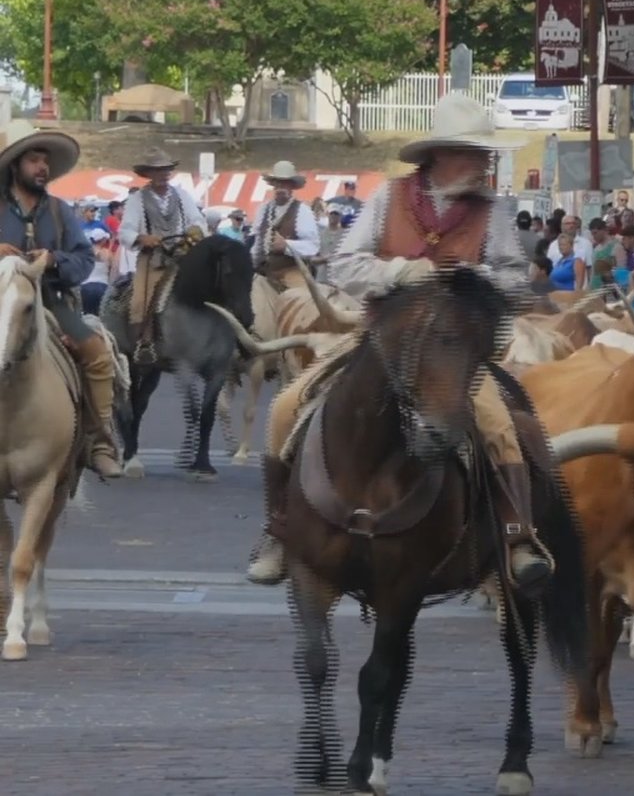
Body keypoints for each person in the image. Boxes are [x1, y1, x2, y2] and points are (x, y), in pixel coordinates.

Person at [250, 93, 550, 595]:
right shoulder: (389, 198)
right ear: (441, 155)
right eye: (474, 153)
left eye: (484, 153)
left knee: (499, 423)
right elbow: (344, 265)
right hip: (379, 342)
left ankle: (519, 538)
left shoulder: (491, 212)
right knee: (285, 406)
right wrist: (401, 271)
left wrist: (475, 277)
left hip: (453, 349)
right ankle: (280, 531)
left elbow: (517, 282)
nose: (483, 162)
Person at [0, 121, 124, 479]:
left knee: (98, 354)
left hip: (51, 301)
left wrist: (53, 259)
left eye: (45, 161)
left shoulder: (59, 210)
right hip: (1, 302)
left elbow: (84, 258)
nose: (42, 168)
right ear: (15, 165)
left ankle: (99, 441)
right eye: (34, 160)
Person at [118, 147, 206, 362]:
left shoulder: (183, 195)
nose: (163, 175)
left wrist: (195, 231)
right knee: (141, 300)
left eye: (166, 170)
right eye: (157, 171)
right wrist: (142, 238)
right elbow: (125, 231)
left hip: (183, 257)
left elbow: (198, 221)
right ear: (148, 173)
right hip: (152, 260)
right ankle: (144, 343)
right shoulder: (137, 199)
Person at [251, 161, 321, 291]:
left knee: (302, 299)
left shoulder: (302, 210)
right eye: (278, 183)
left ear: (292, 186)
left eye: (285, 183)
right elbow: (256, 243)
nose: (280, 187)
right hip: (264, 272)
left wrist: (286, 245)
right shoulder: (263, 209)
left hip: (291, 271)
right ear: (273, 185)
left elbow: (312, 246)